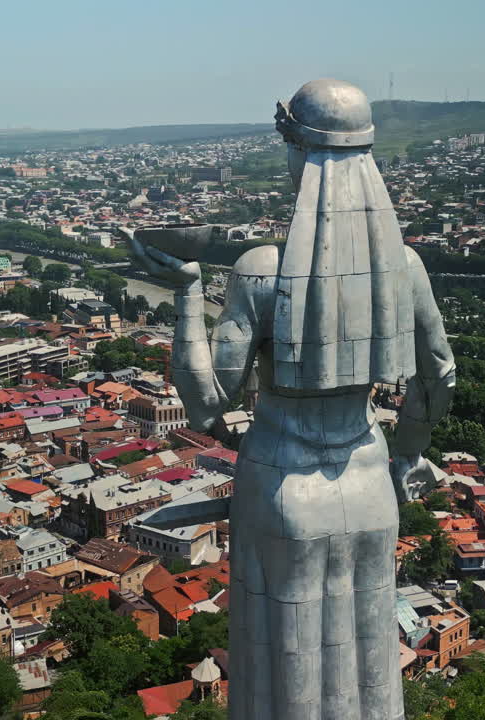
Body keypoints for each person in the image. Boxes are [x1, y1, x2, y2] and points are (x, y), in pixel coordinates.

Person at [130, 78, 455, 720]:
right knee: (368, 661)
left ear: (300, 158)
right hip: (368, 482)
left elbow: (206, 399)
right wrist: (406, 456)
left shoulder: (261, 270)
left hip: (279, 480)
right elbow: (437, 378)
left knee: (280, 660)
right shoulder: (406, 268)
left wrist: (187, 294)